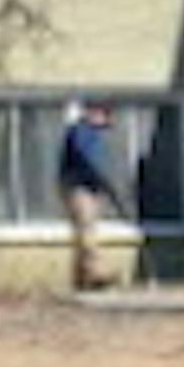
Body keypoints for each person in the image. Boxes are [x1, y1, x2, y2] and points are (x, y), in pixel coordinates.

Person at [57, 101, 125, 290]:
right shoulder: (81, 130)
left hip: (89, 187)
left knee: (86, 231)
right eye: (105, 116)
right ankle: (93, 274)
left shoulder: (93, 134)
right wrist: (101, 179)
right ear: (94, 113)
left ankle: (81, 279)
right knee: (86, 230)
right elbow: (85, 159)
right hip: (78, 186)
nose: (107, 123)